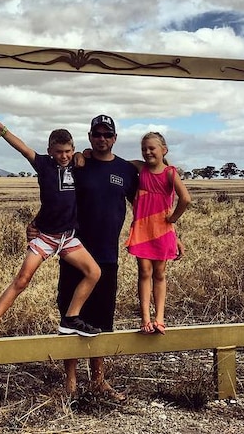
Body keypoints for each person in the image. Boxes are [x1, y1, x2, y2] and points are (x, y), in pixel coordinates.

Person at [0, 114, 102, 342]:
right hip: (45, 236)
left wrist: (83, 154)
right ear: (50, 151)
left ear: (72, 149)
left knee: (94, 272)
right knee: (22, 280)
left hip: (68, 238)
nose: (64, 156)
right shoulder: (43, 165)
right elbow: (23, 148)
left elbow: (89, 155)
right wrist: (3, 131)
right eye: (59, 151)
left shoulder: (76, 163)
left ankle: (71, 318)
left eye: (68, 151)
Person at [51, 114, 139, 400]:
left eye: (107, 135)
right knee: (71, 316)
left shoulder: (126, 170)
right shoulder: (79, 165)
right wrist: (39, 225)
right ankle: (71, 383)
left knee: (101, 319)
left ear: (114, 138)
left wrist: (168, 232)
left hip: (107, 255)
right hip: (74, 251)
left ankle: (99, 381)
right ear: (90, 137)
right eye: (97, 134)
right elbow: (56, 197)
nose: (102, 139)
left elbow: (144, 204)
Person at [125, 131, 191, 335]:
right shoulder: (140, 168)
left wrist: (172, 220)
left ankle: (159, 318)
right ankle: (145, 318)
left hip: (162, 230)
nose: (147, 152)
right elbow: (114, 162)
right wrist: (88, 153)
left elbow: (185, 199)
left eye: (152, 148)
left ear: (164, 150)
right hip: (143, 228)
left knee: (160, 274)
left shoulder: (170, 173)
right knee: (144, 272)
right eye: (144, 148)